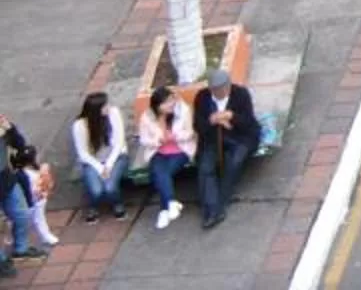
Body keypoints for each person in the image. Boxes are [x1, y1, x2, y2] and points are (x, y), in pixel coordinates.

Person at [193, 65, 258, 229]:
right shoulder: (202, 97)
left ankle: (218, 206)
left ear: (228, 86)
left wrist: (231, 116)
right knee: (205, 167)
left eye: (221, 89)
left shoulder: (240, 94)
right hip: (212, 138)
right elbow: (198, 125)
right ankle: (211, 209)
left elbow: (248, 122)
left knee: (233, 163)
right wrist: (212, 121)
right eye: (214, 90)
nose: (218, 93)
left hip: (240, 137)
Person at [135, 86, 191, 230]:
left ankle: (164, 209)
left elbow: (190, 133)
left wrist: (175, 136)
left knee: (161, 174)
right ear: (157, 105)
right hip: (157, 151)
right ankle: (170, 203)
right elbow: (143, 139)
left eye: (172, 101)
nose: (171, 105)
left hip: (180, 150)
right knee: (161, 172)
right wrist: (157, 141)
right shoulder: (147, 117)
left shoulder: (183, 111)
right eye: (166, 103)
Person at [68, 94, 124, 223]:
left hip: (116, 157)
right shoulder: (80, 125)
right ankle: (93, 206)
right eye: (105, 106)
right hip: (93, 161)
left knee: (110, 188)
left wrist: (108, 165)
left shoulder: (114, 114)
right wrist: (100, 168)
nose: (109, 107)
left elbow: (119, 143)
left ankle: (117, 204)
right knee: (96, 190)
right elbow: (82, 153)